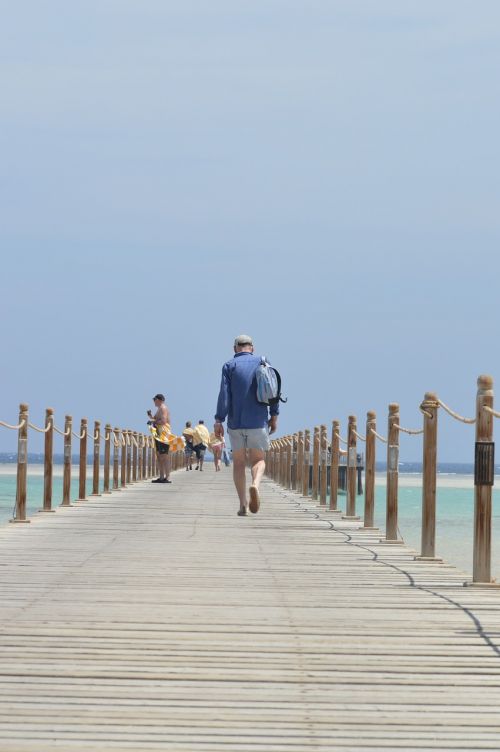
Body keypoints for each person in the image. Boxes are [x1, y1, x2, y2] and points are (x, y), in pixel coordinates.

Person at [214, 334, 279, 516]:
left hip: (236, 423)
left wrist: (219, 419)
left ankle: (243, 504)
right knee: (258, 460)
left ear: (235, 348)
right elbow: (273, 390)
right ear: (252, 347)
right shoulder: (262, 362)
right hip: (258, 421)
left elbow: (224, 396)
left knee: (239, 463)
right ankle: (255, 484)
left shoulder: (229, 366)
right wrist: (274, 415)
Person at [147, 394, 172, 483]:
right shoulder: (159, 409)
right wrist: (150, 417)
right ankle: (161, 477)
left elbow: (163, 421)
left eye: (155, 399)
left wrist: (153, 421)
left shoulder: (163, 408)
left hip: (164, 435)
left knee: (164, 456)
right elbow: (156, 420)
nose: (154, 401)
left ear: (159, 400)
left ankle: (167, 477)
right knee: (159, 455)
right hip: (158, 434)